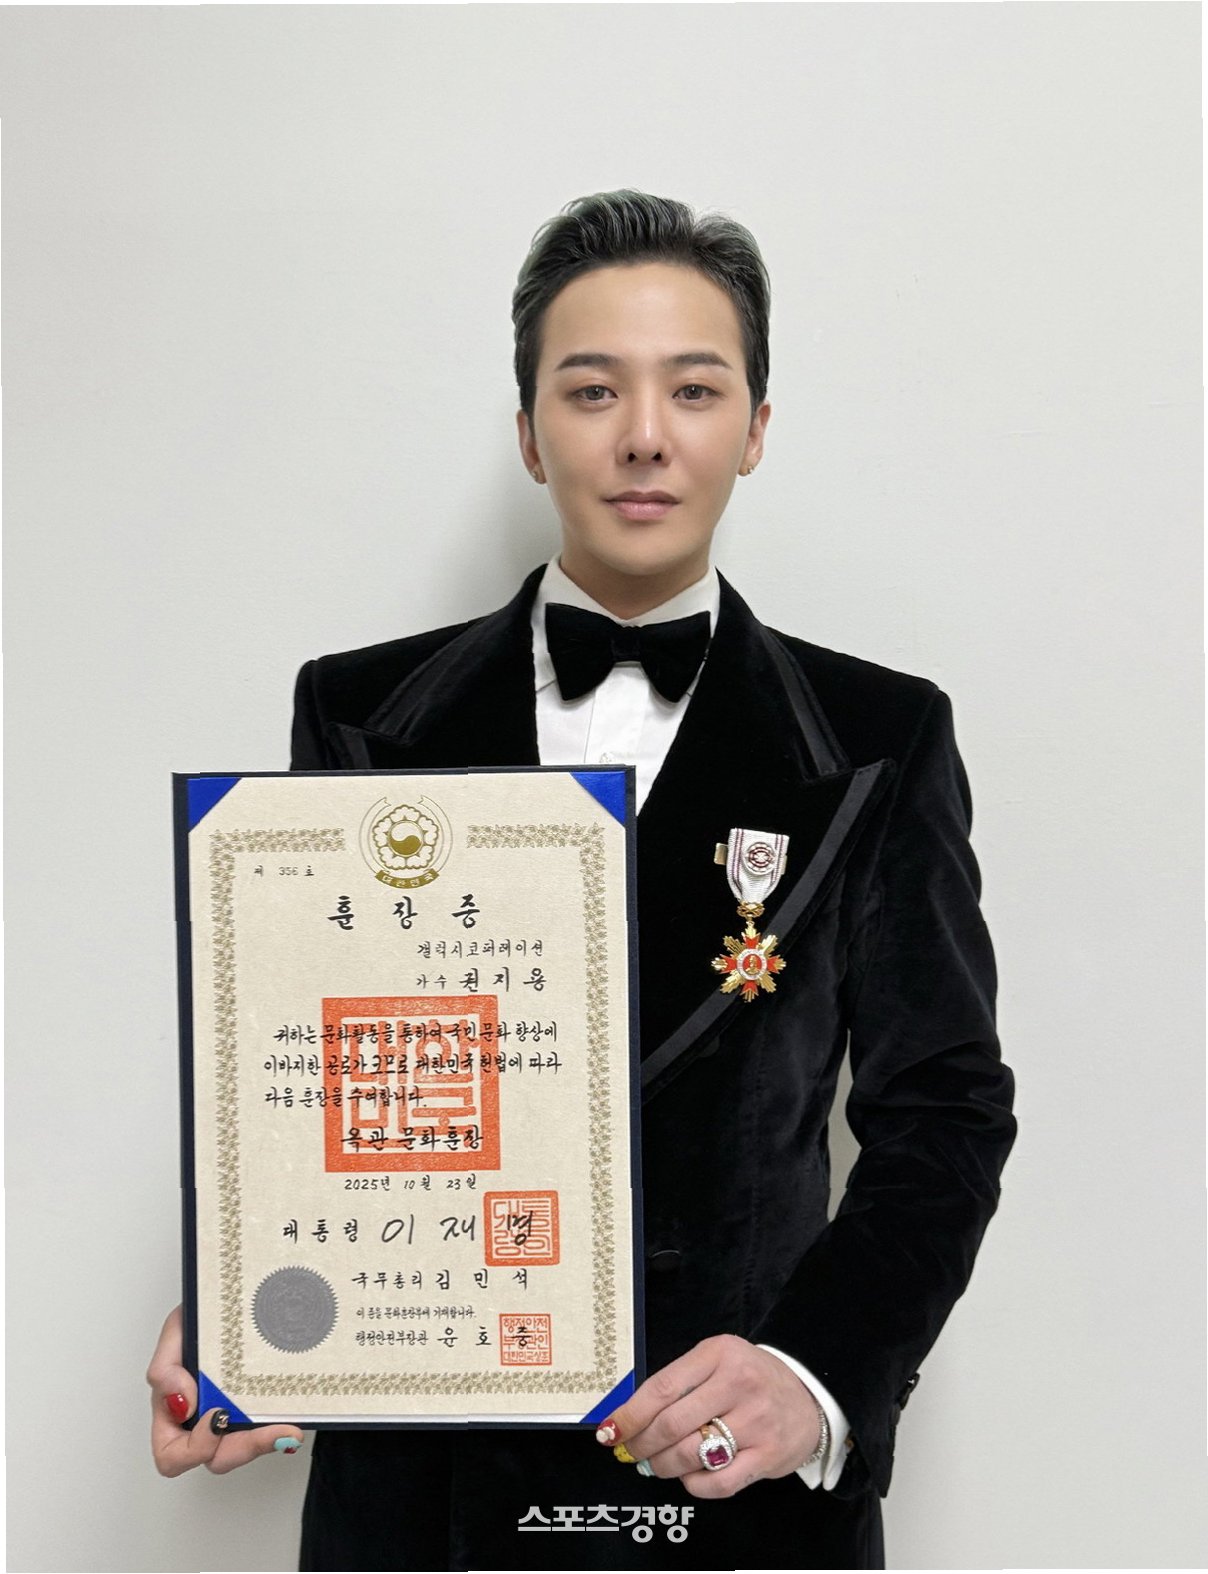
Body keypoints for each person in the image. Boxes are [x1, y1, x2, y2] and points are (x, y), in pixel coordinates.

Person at [148, 189, 1016, 1570]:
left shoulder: (881, 737)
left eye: (695, 389)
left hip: (730, 1486)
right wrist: (248, 1317)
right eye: (593, 388)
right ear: (529, 429)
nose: (645, 434)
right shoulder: (363, 714)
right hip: (425, 1504)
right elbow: (317, 1075)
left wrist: (814, 1375)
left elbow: (945, 1111)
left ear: (756, 428)